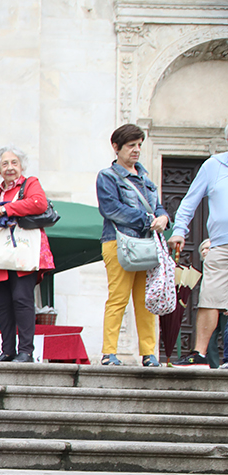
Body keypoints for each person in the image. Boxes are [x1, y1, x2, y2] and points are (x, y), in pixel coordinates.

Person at [96, 124, 168, 368]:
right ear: (116, 147)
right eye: (131, 145)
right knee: (118, 299)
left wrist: (164, 217)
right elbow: (112, 210)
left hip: (146, 245)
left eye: (139, 145)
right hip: (119, 242)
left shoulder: (146, 179)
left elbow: (157, 207)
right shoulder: (107, 176)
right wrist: (149, 220)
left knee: (145, 301)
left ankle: (149, 353)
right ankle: (109, 352)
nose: (137, 150)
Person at [0, 147, 55, 363]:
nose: (10, 167)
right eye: (5, 164)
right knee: (0, 302)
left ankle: (26, 350)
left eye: (14, 163)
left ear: (21, 166)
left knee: (22, 299)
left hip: (23, 252)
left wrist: (4, 209)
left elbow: (39, 203)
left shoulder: (30, 184)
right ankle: (7, 350)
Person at [169, 123, 228, 367]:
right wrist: (180, 230)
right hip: (221, 247)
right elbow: (189, 201)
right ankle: (200, 353)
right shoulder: (214, 166)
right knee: (210, 299)